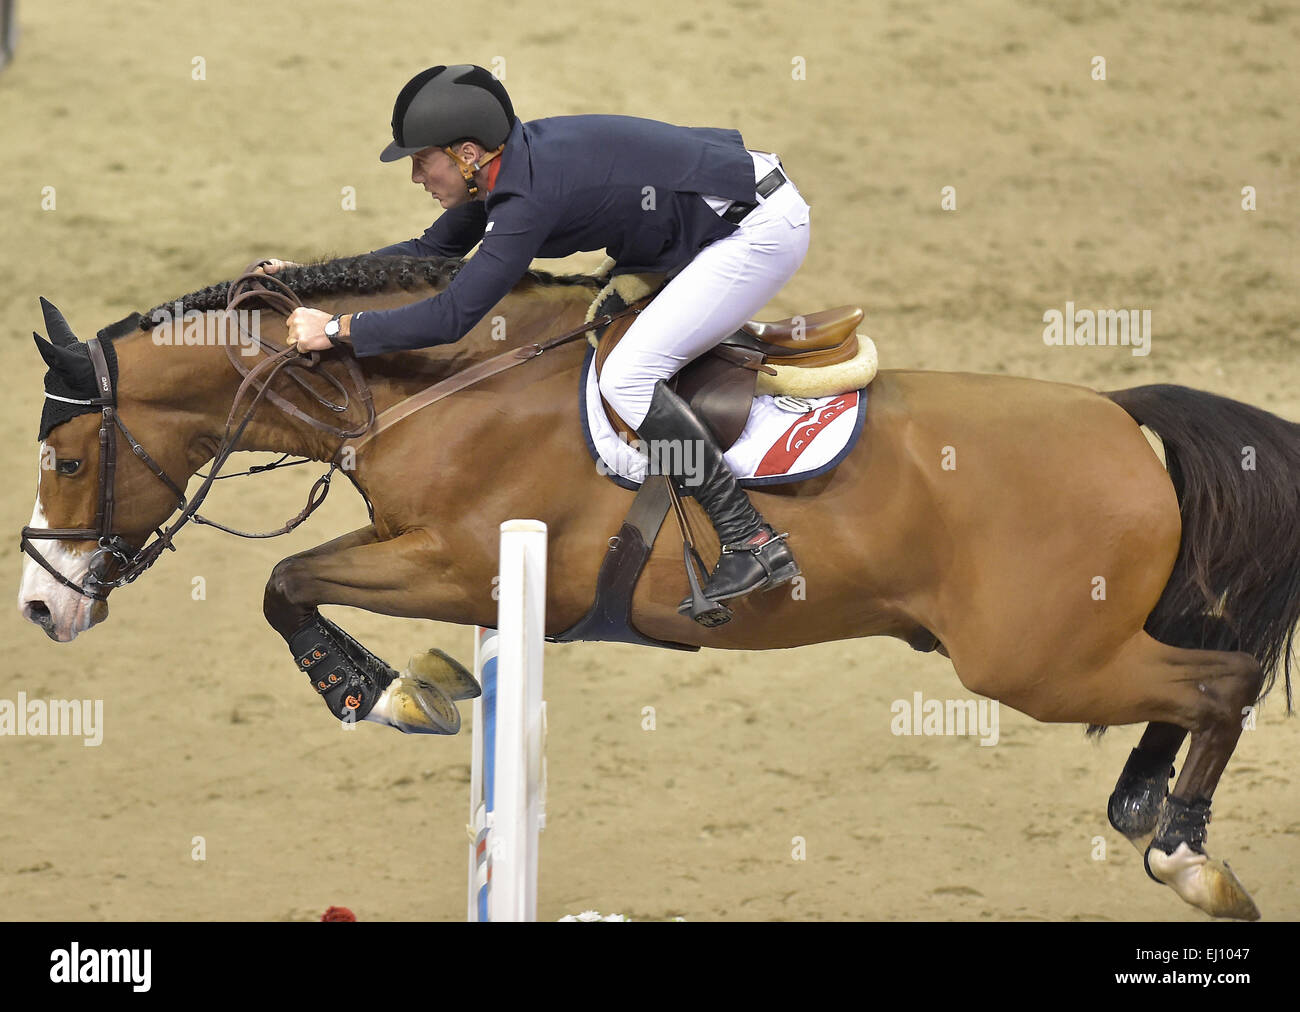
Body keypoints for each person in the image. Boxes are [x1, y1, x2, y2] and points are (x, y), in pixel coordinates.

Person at [270, 64, 810, 612]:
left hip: (755, 230)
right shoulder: (501, 169)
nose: (415, 176)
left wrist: (339, 329)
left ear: (465, 153)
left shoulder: (527, 196)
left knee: (628, 376)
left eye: (420, 159)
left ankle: (750, 538)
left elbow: (453, 314)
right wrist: (315, 281)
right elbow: (429, 254)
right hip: (705, 218)